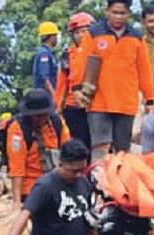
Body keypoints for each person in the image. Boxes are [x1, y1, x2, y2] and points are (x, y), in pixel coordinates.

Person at [78, 0, 154, 161]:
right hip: (99, 102)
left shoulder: (136, 37)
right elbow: (81, 64)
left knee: (123, 152)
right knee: (100, 149)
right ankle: (98, 178)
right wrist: (77, 88)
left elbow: (144, 69)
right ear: (107, 11)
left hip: (126, 103)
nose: (118, 17)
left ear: (129, 13)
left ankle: (121, 178)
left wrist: (149, 99)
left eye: (122, 13)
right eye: (115, 12)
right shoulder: (93, 34)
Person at [7, 88, 72, 211]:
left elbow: (69, 151)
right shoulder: (17, 129)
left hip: (57, 183)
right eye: (36, 116)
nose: (39, 119)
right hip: (31, 188)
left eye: (42, 115)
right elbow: (16, 168)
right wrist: (16, 202)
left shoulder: (58, 123)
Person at [54, 12, 94, 149]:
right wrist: (58, 108)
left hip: (97, 105)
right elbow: (62, 84)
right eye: (77, 32)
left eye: (85, 31)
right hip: (73, 106)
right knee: (79, 144)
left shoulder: (100, 51)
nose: (81, 35)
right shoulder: (68, 54)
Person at [34, 22, 61, 95]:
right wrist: (54, 96)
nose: (57, 38)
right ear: (50, 37)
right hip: (45, 96)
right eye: (55, 35)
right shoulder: (44, 54)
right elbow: (45, 78)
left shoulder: (50, 54)